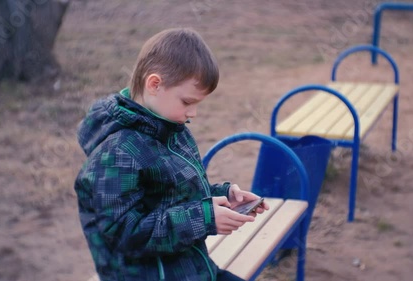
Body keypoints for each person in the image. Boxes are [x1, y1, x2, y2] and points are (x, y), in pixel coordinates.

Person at [74, 27, 269, 281]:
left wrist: (221, 197)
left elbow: (174, 197)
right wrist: (204, 218)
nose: (193, 113)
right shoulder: (117, 152)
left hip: (191, 268)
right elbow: (125, 234)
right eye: (188, 102)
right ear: (154, 84)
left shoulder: (171, 129)